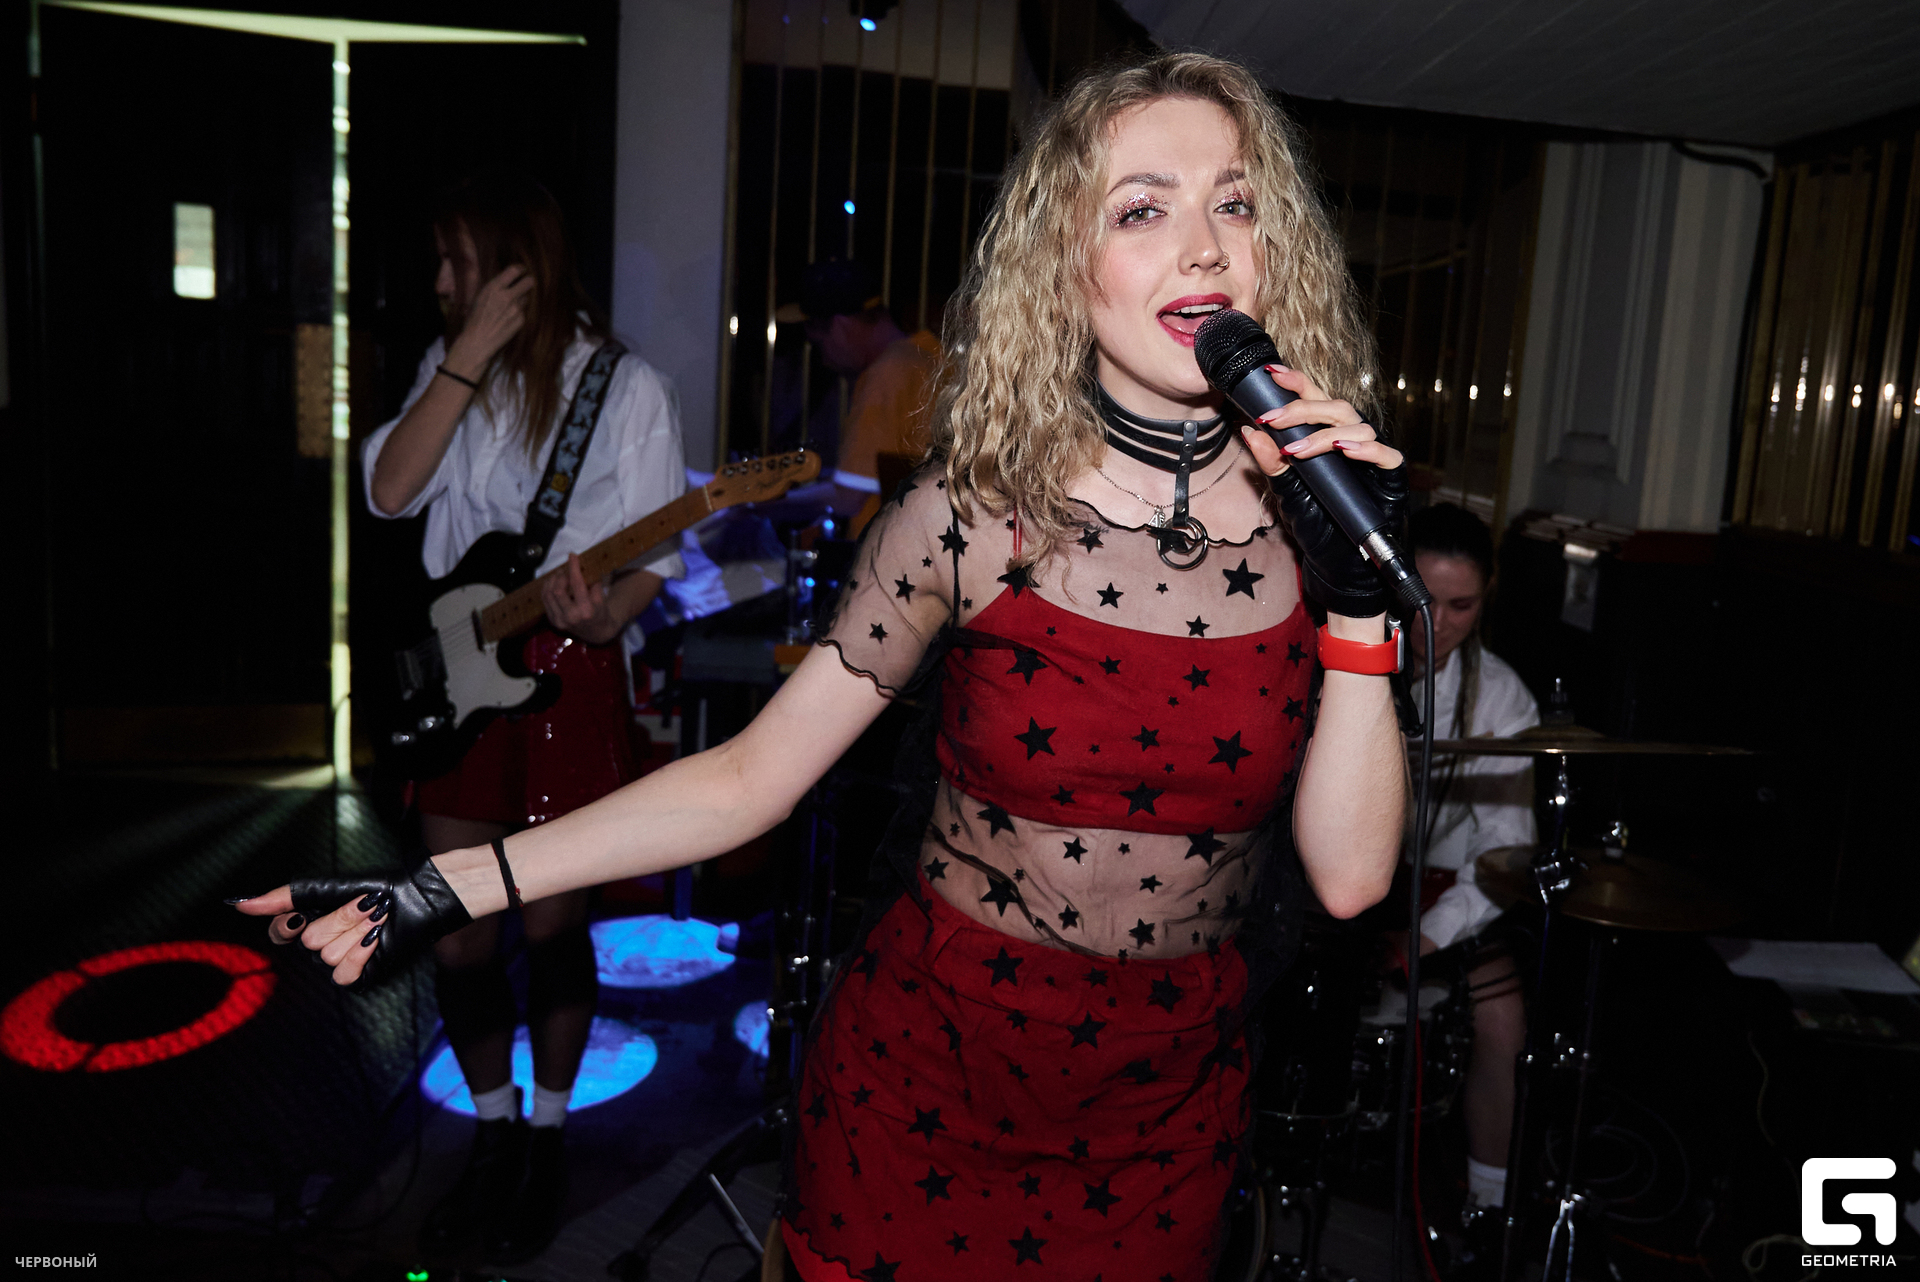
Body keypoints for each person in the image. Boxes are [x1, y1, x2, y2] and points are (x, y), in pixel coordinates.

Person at [245, 54, 1408, 1280]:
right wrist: (440, 887)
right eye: (1142, 208)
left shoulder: (1322, 524)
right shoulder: (971, 515)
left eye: (1235, 202)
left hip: (1162, 1119)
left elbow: (1348, 880)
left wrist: (1356, 605)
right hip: (925, 1093)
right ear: (1065, 267)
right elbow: (747, 780)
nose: (1205, 246)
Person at [360, 173, 688, 1263]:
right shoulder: (448, 367)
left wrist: (606, 619)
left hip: (564, 670)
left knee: (551, 928)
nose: (439, 281)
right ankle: (493, 1134)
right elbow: (392, 491)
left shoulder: (625, 386)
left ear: (516, 267)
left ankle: (547, 1140)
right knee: (459, 933)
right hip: (460, 670)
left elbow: (654, 554)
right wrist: (463, 358)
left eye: (457, 260)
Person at [1398, 502, 1537, 1257]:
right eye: (1424, 599)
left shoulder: (1503, 697)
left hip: (1444, 892)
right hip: (1333, 890)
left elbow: (1505, 854)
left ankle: (1487, 1206)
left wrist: (1426, 935)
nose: (1440, 624)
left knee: (1503, 1021)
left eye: (1463, 606)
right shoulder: (1336, 659)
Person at [775, 259, 941, 531]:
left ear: (840, 326)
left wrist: (759, 505)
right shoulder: (928, 358)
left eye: (819, 343)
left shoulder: (888, 374)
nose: (824, 359)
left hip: (889, 550)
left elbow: (849, 497)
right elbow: (889, 472)